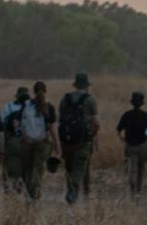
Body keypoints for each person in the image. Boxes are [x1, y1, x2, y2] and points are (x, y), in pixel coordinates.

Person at [58, 73, 100, 204]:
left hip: (66, 139)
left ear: (75, 85)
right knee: (81, 166)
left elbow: (60, 119)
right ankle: (75, 190)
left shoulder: (65, 99)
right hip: (83, 140)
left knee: (69, 167)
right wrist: (94, 135)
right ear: (87, 86)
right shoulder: (90, 100)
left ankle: (72, 192)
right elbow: (96, 122)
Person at [14, 83, 60, 201]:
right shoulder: (49, 107)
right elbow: (53, 128)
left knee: (28, 169)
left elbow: (16, 123)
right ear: (45, 91)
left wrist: (23, 136)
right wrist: (57, 144)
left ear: (33, 92)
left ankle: (30, 194)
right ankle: (35, 194)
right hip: (43, 143)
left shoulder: (26, 105)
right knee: (38, 170)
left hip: (27, 142)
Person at [116, 91, 147, 195]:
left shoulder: (127, 115)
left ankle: (132, 188)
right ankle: (138, 190)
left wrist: (121, 138)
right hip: (143, 146)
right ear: (142, 103)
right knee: (141, 170)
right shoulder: (146, 116)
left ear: (132, 102)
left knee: (132, 169)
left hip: (130, 146)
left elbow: (119, 129)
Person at [0, 86, 30, 197]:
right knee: (25, 169)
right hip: (27, 143)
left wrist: (1, 147)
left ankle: (9, 193)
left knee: (9, 170)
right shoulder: (31, 108)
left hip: (11, 142)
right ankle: (23, 192)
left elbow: (1, 127)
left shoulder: (7, 107)